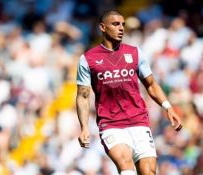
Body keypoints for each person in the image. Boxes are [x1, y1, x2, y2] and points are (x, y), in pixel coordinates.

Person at [76, 10, 182, 175]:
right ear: (103, 27)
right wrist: (83, 127)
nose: (121, 28)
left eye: (123, 25)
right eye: (115, 24)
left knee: (149, 172)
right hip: (111, 124)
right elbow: (83, 96)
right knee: (126, 166)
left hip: (139, 120)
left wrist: (168, 107)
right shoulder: (88, 59)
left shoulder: (135, 53)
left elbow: (151, 84)